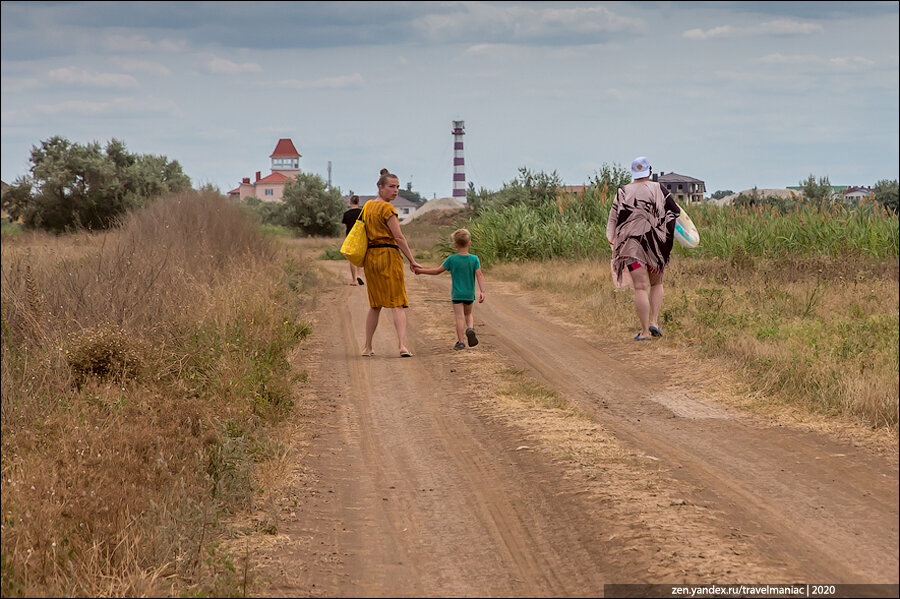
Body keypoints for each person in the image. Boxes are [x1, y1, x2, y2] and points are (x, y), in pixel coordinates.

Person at [607, 156, 680, 341]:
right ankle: (654, 322)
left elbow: (613, 221)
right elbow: (675, 212)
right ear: (649, 171)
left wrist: (615, 243)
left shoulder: (622, 191)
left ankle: (645, 332)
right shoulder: (659, 188)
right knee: (657, 283)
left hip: (631, 248)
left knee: (640, 287)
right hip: (657, 248)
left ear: (633, 173)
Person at [360, 169, 423, 358]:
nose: (395, 191)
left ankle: (367, 346)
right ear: (380, 187)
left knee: (375, 304)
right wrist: (412, 260)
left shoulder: (367, 206)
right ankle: (402, 345)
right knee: (397, 302)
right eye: (391, 187)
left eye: (397, 187)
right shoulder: (388, 209)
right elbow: (399, 237)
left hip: (370, 257)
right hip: (388, 255)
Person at [415, 228, 486, 350]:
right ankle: (470, 328)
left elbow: (437, 271)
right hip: (469, 294)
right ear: (470, 244)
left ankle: (460, 342)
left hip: (457, 294)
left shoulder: (451, 260)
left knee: (459, 317)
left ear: (455, 244)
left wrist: (421, 271)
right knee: (468, 314)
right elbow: (479, 275)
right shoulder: (474, 259)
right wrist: (482, 291)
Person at [341, 195, 365, 286]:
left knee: (351, 258)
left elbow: (346, 226)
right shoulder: (362, 213)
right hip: (360, 236)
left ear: (350, 203)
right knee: (359, 255)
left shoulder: (346, 214)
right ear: (358, 203)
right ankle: (359, 275)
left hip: (350, 237)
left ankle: (354, 280)